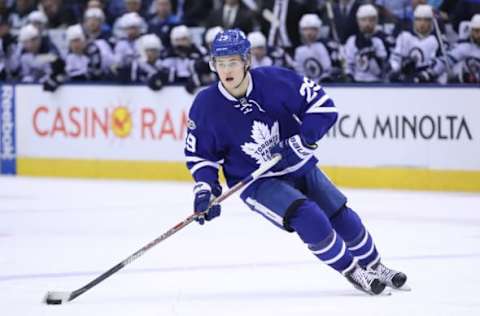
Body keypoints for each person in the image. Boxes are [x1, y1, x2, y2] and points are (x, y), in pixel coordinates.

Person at [184, 29, 408, 295]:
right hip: (258, 181)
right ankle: (352, 270)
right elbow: (201, 155)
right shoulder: (205, 104)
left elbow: (323, 106)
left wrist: (302, 142)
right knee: (309, 215)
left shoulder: (275, 80)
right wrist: (206, 190)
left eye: (232, 62)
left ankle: (375, 265)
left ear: (246, 61)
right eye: (220, 64)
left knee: (340, 214)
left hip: (298, 164)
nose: (226, 70)